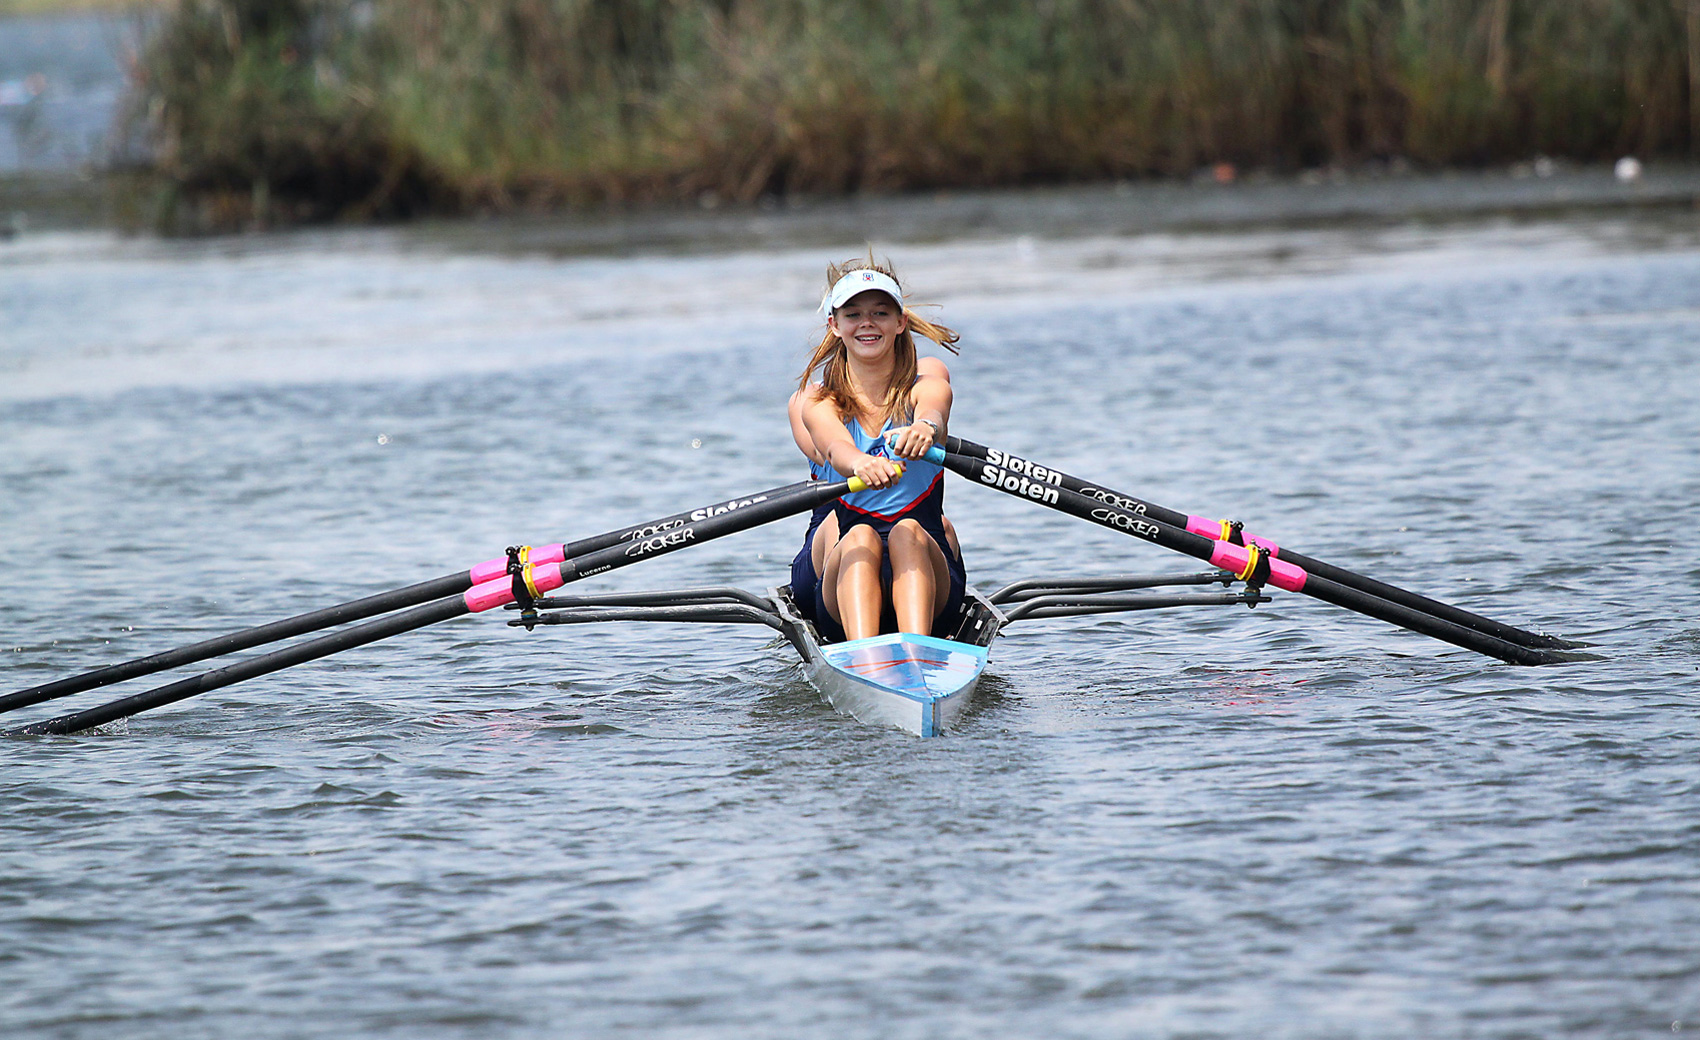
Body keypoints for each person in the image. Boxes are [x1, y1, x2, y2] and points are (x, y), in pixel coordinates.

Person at [788, 259, 966, 642]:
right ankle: (865, 655)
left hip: (930, 581)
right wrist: (860, 463)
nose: (867, 323)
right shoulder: (818, 403)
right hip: (845, 577)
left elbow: (934, 411)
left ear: (900, 322)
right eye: (853, 315)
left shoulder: (926, 386)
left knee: (907, 532)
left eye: (880, 313)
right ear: (835, 325)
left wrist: (925, 429)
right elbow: (835, 448)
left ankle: (917, 653)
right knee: (860, 536)